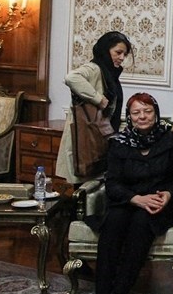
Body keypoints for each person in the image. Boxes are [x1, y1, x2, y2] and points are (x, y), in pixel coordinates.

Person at [86, 92, 173, 294]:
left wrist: (169, 194)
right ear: (129, 116)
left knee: (141, 224)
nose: (142, 116)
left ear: (156, 113)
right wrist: (135, 199)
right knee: (113, 223)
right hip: (127, 201)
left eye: (147, 111)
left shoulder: (171, 140)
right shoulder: (119, 143)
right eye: (136, 112)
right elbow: (112, 184)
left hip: (156, 205)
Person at [56, 31, 134, 186]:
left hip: (98, 137)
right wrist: (98, 99)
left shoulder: (110, 73)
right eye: (118, 52)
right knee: (85, 187)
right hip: (87, 139)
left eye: (124, 55)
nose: (121, 58)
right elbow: (71, 77)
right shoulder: (94, 68)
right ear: (106, 50)